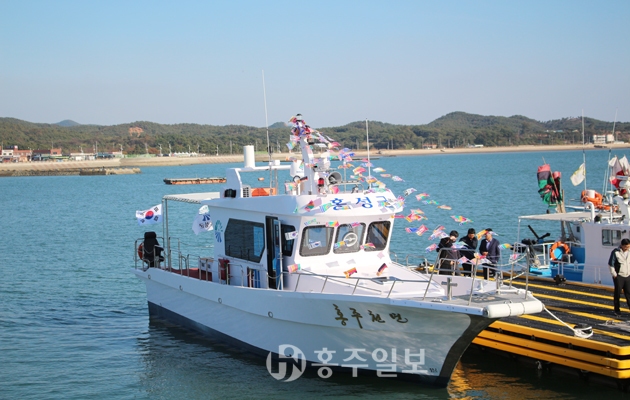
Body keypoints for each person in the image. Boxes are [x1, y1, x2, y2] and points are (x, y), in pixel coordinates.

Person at [608, 238, 630, 317]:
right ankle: (617, 310)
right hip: (619, 276)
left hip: (628, 275)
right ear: (622, 245)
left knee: (629, 293)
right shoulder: (616, 252)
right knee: (617, 293)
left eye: (628, 246)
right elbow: (611, 264)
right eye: (625, 247)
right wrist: (614, 274)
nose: (627, 248)